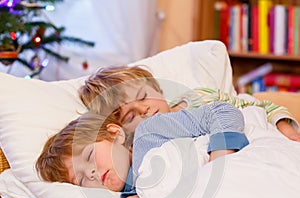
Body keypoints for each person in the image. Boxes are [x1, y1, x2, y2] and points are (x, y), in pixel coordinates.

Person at [36, 102, 300, 198]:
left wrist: (220, 160)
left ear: (115, 134)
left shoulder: (150, 134)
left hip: (246, 165)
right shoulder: (134, 192)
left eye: (90, 156)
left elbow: (222, 112)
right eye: (81, 178)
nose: (92, 173)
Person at [79, 65, 300, 141]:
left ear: (157, 88)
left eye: (144, 97)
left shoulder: (201, 97)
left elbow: (261, 107)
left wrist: (286, 129)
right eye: (130, 117)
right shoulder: (147, 142)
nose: (144, 109)